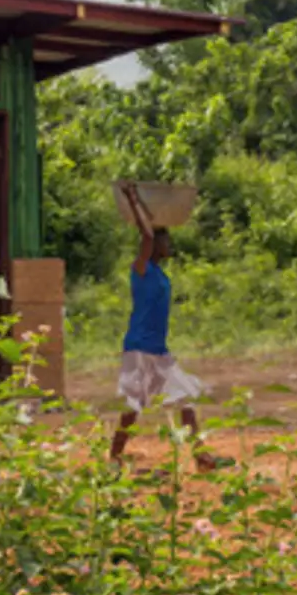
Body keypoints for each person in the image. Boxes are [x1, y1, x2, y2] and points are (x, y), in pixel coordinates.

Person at [111, 185, 225, 470]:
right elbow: (147, 234)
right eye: (165, 241)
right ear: (152, 247)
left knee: (185, 399)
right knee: (132, 409)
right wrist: (134, 200)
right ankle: (113, 457)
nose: (168, 245)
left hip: (158, 350)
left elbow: (151, 236)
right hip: (139, 348)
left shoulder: (159, 274)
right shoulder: (141, 269)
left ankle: (201, 456)